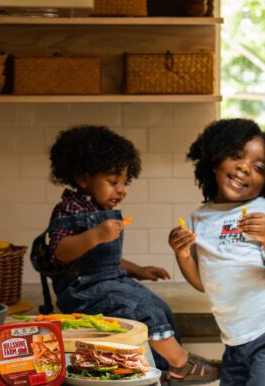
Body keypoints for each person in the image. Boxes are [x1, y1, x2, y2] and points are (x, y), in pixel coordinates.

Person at [43, 125, 219, 383]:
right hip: (81, 291)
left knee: (161, 308)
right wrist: (95, 235)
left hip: (110, 282)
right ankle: (180, 363)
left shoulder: (100, 208)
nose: (122, 189)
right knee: (144, 309)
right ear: (83, 178)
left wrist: (138, 270)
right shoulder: (68, 208)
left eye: (125, 182)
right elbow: (59, 252)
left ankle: (165, 369)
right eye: (113, 182)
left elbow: (103, 260)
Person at [169, 118, 265, 385]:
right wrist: (182, 255)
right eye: (236, 156)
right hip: (235, 341)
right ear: (215, 160)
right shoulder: (199, 218)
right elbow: (204, 282)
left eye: (259, 168)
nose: (244, 168)